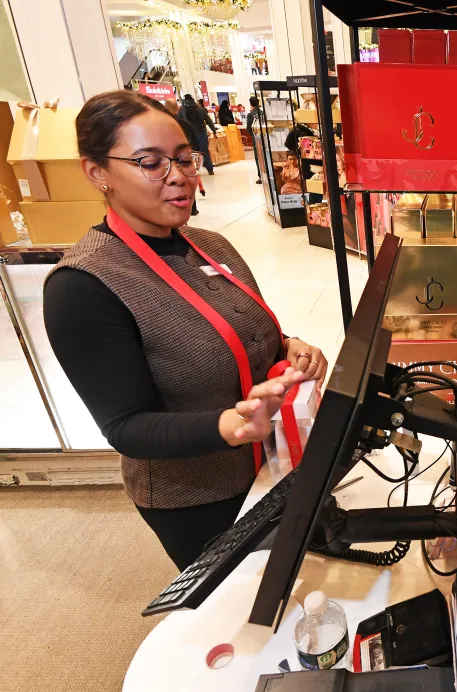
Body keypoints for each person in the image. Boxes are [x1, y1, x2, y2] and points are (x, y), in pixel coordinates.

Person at [43, 91, 327, 570]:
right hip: (198, 496)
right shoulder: (83, 286)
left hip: (272, 464)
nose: (177, 176)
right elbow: (127, 426)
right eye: (149, 162)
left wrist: (288, 344)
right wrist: (232, 425)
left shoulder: (208, 244)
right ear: (97, 173)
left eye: (182, 158)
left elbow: (238, 330)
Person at [163, 99, 204, 215]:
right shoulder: (184, 123)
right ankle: (193, 207)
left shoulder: (164, 125)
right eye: (152, 164)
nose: (177, 177)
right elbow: (195, 140)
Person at [180, 94, 217, 174]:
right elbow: (209, 121)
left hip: (189, 134)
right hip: (201, 133)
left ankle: (195, 171)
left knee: (193, 153)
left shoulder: (182, 109)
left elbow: (179, 122)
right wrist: (214, 131)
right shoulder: (200, 109)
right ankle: (210, 169)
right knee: (204, 152)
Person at [246, 95, 264, 185]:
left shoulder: (250, 115)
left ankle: (261, 176)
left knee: (258, 157)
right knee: (265, 156)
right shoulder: (263, 113)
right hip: (264, 138)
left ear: (251, 104)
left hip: (256, 138)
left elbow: (249, 128)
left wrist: (253, 135)